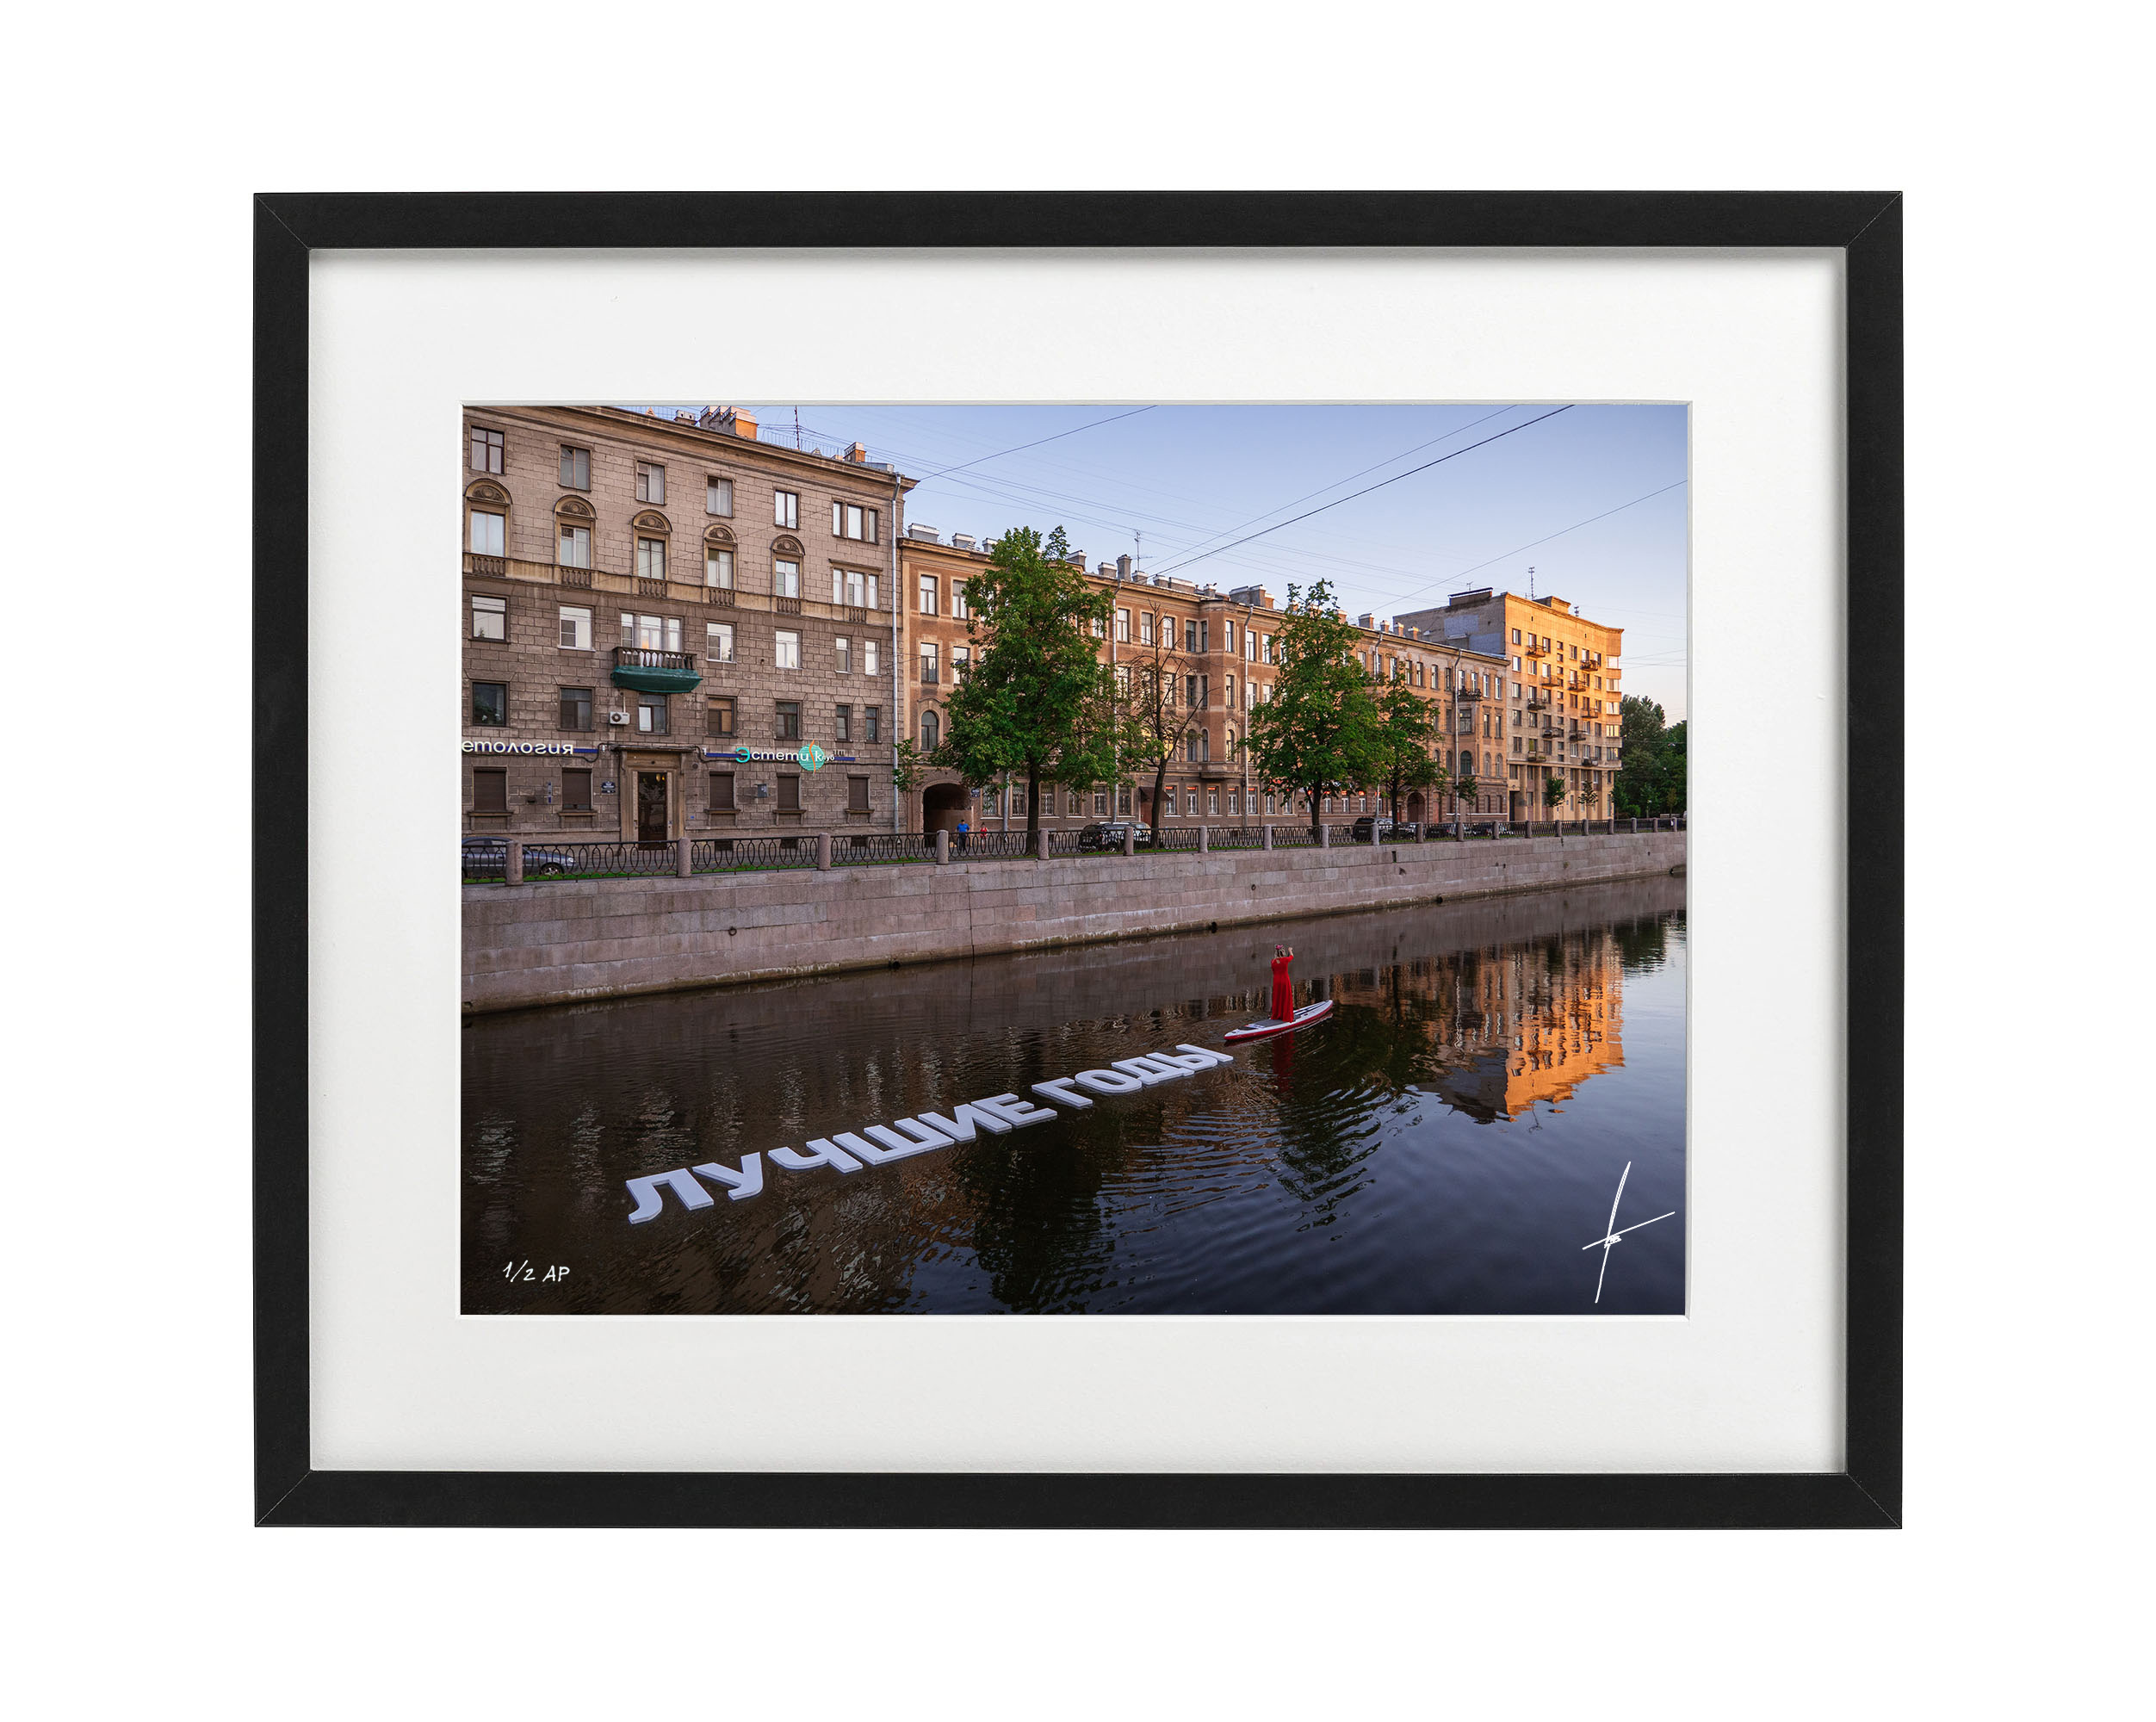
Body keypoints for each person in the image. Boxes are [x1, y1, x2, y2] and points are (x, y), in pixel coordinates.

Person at [1269, 944, 1296, 1024]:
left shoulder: (1273, 962)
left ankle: (1277, 1015)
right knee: (1286, 997)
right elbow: (1292, 956)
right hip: (1284, 981)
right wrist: (1290, 950)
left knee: (1278, 997)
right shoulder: (1285, 960)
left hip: (1276, 982)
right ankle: (1286, 1016)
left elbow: (1274, 970)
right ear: (1282, 952)